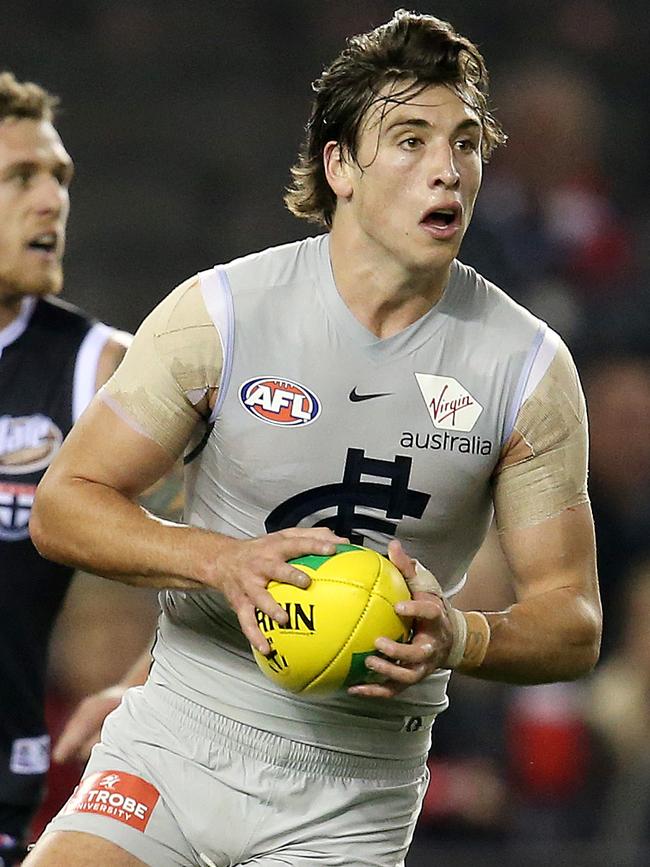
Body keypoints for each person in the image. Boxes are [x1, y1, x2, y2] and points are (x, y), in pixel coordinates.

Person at [25, 10, 602, 867]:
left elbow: (574, 617)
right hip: (180, 740)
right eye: (410, 140)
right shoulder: (219, 315)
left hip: (351, 792)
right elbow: (63, 504)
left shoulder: (525, 367)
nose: (447, 171)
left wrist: (460, 635)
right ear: (340, 165)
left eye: (467, 143)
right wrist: (219, 560)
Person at [0, 71, 152, 866]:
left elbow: (247, 519)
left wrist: (151, 680)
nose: (51, 199)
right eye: (20, 177)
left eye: (58, 177)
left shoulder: (100, 368)